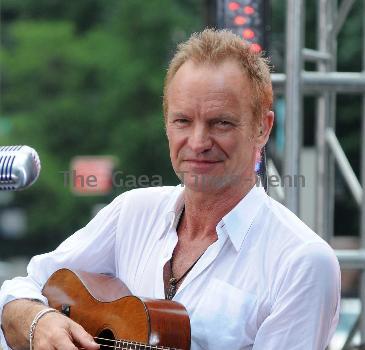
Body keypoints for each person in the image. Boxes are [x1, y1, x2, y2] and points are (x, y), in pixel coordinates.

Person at [0, 29, 340, 350]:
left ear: (262, 129)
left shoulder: (302, 262)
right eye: (183, 121)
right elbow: (21, 290)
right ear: (166, 124)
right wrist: (37, 321)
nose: (198, 142)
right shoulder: (132, 213)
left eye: (220, 122)